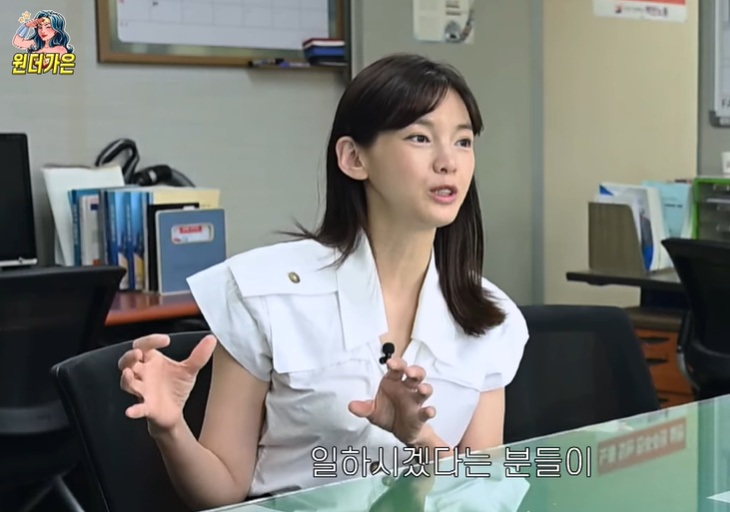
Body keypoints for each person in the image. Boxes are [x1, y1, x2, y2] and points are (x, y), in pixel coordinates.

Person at [117, 53, 529, 510]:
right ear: (354, 158)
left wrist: (421, 440)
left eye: (463, 141)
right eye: (420, 137)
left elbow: (478, 491)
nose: (449, 162)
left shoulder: (490, 319)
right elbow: (223, 490)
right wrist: (171, 426)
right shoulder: (263, 292)